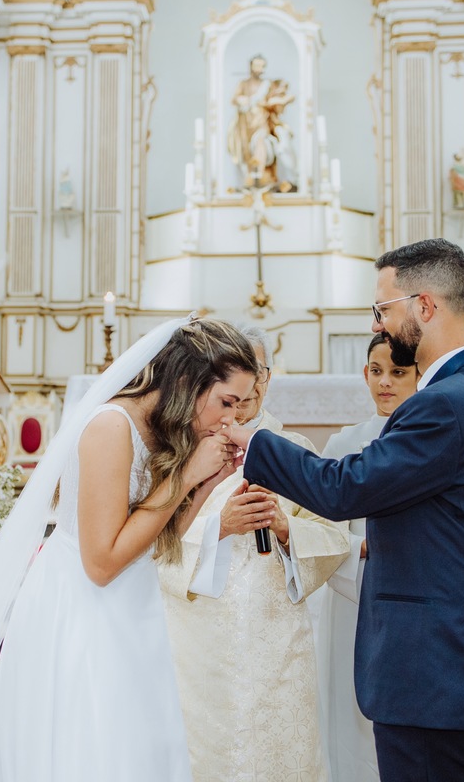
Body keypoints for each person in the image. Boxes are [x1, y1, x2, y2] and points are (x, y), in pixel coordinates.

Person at [0, 317, 260, 782]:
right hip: (81, 608)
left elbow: (154, 543)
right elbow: (101, 562)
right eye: (227, 402)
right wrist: (184, 478)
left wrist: (202, 485)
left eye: (239, 407)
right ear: (186, 381)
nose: (232, 419)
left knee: (136, 746)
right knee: (92, 747)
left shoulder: (162, 431)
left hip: (132, 606)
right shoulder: (111, 425)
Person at [225, 238, 464, 782]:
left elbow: (347, 488)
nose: (376, 326)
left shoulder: (448, 403)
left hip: (437, 668)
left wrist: (253, 442)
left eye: (381, 310)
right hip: (448, 665)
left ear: (425, 305)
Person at [159, 326, 349, 782]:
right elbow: (148, 541)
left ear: (266, 379)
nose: (248, 392)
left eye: (258, 374)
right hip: (197, 640)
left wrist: (288, 531)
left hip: (277, 642)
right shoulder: (179, 452)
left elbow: (335, 537)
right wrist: (218, 527)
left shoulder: (296, 452)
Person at [316, 334, 419, 782]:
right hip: (351, 597)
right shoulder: (344, 442)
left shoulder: (427, 438)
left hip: (408, 603)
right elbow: (316, 523)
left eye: (398, 373)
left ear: (420, 375)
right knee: (348, 721)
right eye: (376, 372)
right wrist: (355, 546)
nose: (385, 384)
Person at [227, 54, 297, 191]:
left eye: (262, 66)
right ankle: (251, 178)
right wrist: (242, 100)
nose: (260, 68)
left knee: (261, 142)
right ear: (251, 67)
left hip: (262, 121)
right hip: (246, 124)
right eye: (257, 65)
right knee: (247, 151)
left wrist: (281, 100)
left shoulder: (267, 85)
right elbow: (234, 99)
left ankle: (258, 178)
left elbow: (278, 97)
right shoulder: (244, 84)